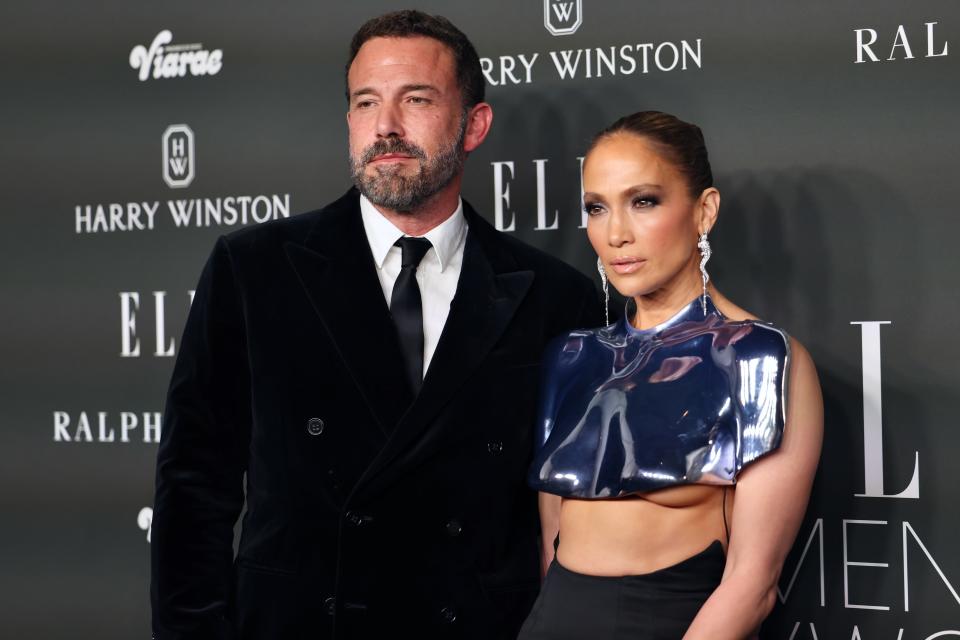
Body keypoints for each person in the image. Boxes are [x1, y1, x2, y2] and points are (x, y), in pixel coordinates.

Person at [150, 10, 601, 640]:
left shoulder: (557, 299)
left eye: (415, 99)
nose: (385, 127)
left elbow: (571, 526)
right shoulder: (255, 270)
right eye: (366, 103)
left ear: (474, 125)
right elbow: (194, 486)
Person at [518, 111, 823, 639]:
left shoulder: (757, 358)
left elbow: (753, 585)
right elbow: (551, 549)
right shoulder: (570, 357)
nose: (615, 233)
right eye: (596, 208)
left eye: (643, 202)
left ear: (704, 211)